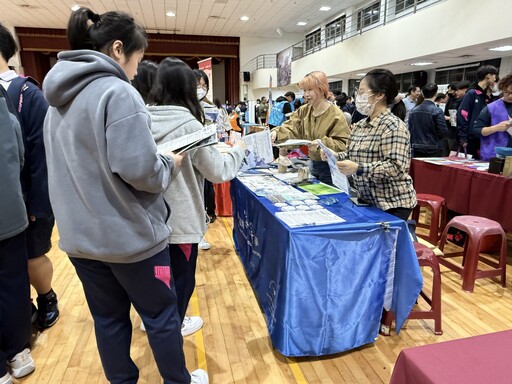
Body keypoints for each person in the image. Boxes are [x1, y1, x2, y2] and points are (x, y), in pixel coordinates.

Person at [42, 8, 207, 384]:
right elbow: (142, 173)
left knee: (109, 321)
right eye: (139, 57)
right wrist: (169, 163)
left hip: (81, 240)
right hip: (131, 240)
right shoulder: (118, 92)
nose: (138, 67)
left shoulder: (55, 98)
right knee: (162, 318)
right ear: (118, 49)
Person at [147, 57, 245, 338]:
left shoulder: (142, 116)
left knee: (158, 285)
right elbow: (217, 171)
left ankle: (159, 327)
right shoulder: (189, 124)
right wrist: (238, 149)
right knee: (179, 287)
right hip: (180, 223)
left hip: (148, 221)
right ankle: (172, 357)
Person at [0, 22, 59, 330]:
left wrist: (37, 204)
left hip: (28, 199)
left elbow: (42, 156)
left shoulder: (27, 94)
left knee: (32, 257)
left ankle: (46, 296)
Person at [319, 69, 416, 221]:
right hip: (367, 200)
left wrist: (359, 169)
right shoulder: (360, 125)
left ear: (379, 95)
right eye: (358, 92)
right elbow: (351, 154)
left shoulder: (393, 126)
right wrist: (334, 156)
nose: (359, 97)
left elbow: (396, 168)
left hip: (392, 204)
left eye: (363, 92)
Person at [0, 88, 35, 383]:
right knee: (13, 282)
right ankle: (19, 353)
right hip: (8, 208)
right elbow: (20, 154)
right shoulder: (3, 101)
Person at [270, 71, 350, 185]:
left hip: (331, 168)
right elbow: (292, 126)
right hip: (312, 164)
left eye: (310, 90)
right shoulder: (304, 110)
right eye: (304, 90)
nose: (306, 94)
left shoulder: (336, 114)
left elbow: (343, 144)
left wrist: (323, 143)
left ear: (322, 89)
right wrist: (276, 133)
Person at [457, 64, 498, 159]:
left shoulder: (486, 96)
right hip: (470, 138)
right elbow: (463, 114)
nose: (495, 79)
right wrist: (463, 137)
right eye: (494, 75)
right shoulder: (472, 93)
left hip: (483, 136)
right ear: (488, 76)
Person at [473, 73, 512, 160]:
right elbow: (477, 130)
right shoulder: (491, 108)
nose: (510, 96)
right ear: (502, 90)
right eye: (507, 92)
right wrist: (497, 127)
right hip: (495, 155)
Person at [408, 83, 449, 157]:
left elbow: (410, 129)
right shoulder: (437, 111)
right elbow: (443, 131)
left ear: (422, 94)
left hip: (416, 147)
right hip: (434, 148)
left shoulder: (413, 111)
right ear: (436, 94)